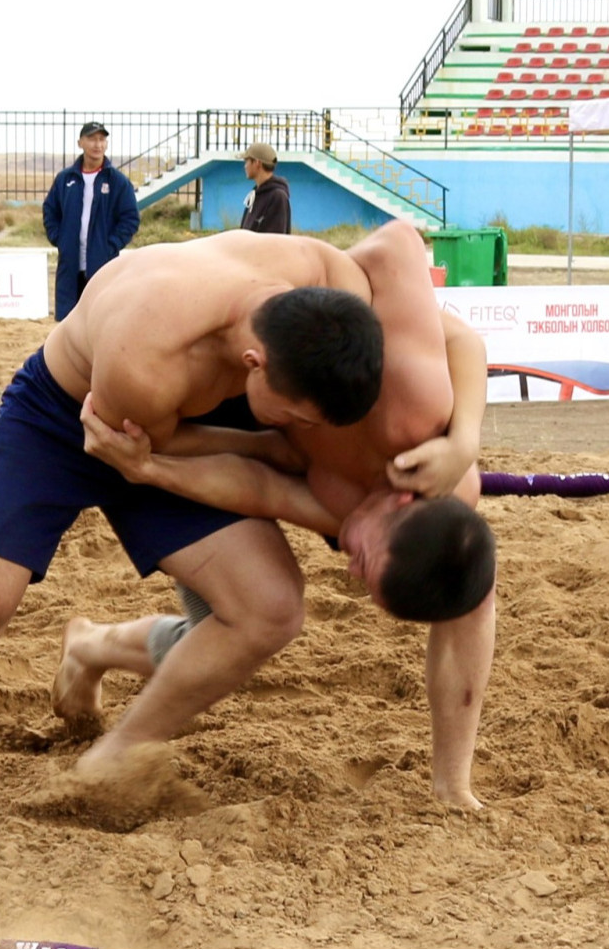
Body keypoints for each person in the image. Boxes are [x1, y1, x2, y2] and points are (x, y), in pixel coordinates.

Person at [0, 228, 391, 835]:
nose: (300, 431)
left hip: (173, 422)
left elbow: (401, 271)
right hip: (70, 419)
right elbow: (144, 450)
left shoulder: (318, 271)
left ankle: (109, 715)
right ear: (254, 363)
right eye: (294, 416)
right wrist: (265, 446)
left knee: (270, 608)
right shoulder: (151, 353)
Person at [66, 225, 497, 807]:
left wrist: (154, 469)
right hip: (277, 372)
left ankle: (453, 784)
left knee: (231, 632)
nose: (349, 573)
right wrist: (463, 436)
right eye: (366, 564)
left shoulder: (348, 508)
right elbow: (405, 252)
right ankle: (95, 659)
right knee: (244, 621)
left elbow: (260, 485)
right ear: (399, 505)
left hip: (273, 430)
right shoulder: (416, 408)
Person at [41, 121, 140, 321]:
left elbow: (130, 219)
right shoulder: (65, 179)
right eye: (92, 139)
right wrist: (60, 239)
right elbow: (50, 211)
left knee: (101, 320)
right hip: (70, 265)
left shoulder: (117, 181)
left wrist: (109, 246)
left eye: (102, 139)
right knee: (69, 322)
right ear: (80, 143)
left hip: (102, 265)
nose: (97, 144)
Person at [240, 142, 291, 234]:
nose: (245, 166)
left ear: (257, 163)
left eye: (247, 161)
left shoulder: (278, 197)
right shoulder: (254, 195)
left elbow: (275, 238)